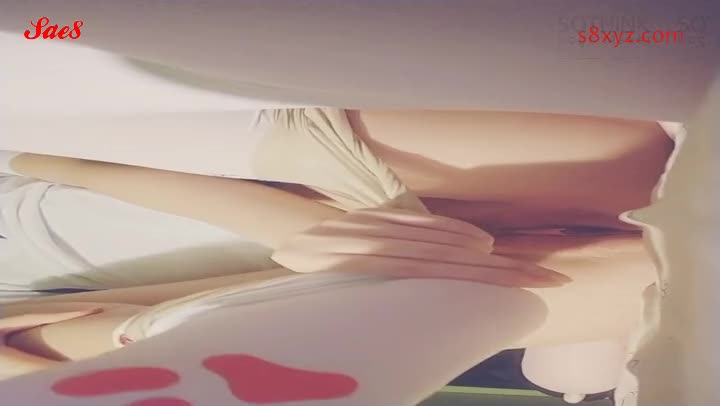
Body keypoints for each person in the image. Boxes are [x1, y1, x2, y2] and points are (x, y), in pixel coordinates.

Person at [0, 109, 675, 384]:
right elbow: (151, 332)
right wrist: (325, 266)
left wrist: (291, 225)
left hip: (270, 166)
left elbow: (44, 144)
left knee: (648, 164)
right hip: (312, 284)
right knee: (666, 280)